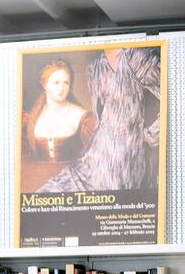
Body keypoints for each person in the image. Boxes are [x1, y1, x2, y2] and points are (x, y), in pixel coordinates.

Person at [38, 46, 161, 194]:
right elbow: (102, 119)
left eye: (65, 83)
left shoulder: (138, 59)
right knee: (46, 194)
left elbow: (175, 98)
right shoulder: (94, 67)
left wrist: (148, 136)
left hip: (124, 164)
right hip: (92, 161)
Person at [23, 60, 94, 164]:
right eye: (56, 83)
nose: (61, 88)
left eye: (66, 83)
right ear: (44, 84)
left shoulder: (82, 117)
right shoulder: (33, 118)